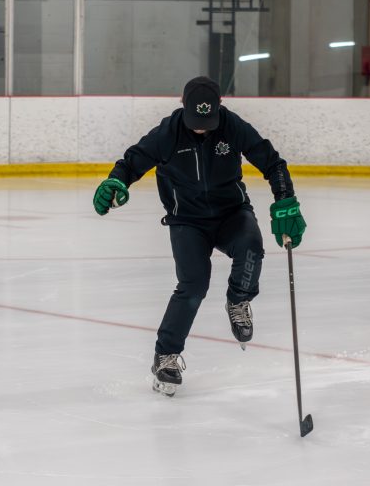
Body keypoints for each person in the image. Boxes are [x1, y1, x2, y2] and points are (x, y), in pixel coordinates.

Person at [93, 76, 306, 396]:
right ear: (183, 107)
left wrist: (285, 198)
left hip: (232, 214)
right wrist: (116, 183)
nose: (202, 128)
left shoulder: (232, 126)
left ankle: (238, 299)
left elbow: (271, 161)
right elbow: (132, 162)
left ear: (219, 109)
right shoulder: (167, 133)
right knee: (194, 284)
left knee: (251, 246)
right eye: (196, 121)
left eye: (208, 121)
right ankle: (165, 356)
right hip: (187, 222)